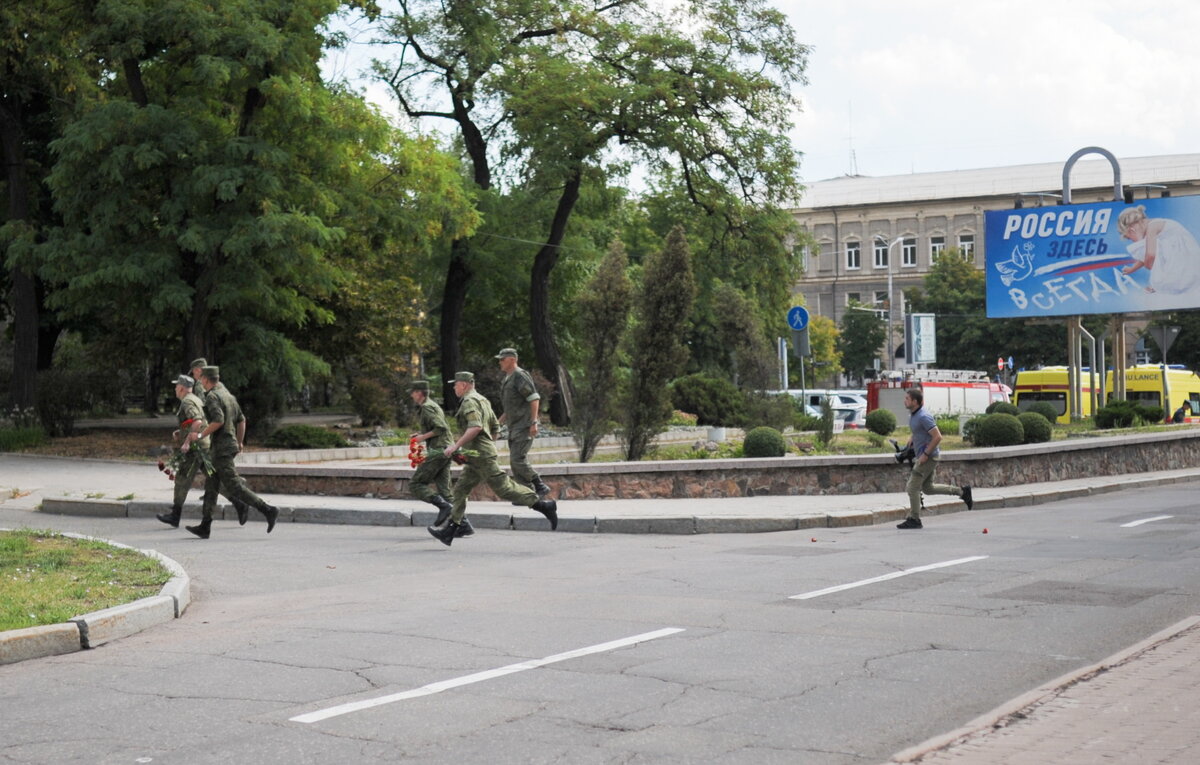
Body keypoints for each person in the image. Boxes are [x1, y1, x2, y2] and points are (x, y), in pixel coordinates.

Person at [428, 372, 558, 546]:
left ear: (465, 385)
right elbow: (495, 427)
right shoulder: (483, 400)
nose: (454, 387)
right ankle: (453, 528)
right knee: (460, 489)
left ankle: (544, 506)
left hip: (481, 456)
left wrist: (456, 446)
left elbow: (475, 427)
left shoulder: (469, 401)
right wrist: (484, 447)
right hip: (477, 455)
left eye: (456, 384)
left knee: (504, 488)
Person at [183, 366, 279, 539]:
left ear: (205, 379)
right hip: (226, 446)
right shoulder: (229, 396)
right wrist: (240, 441)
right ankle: (205, 525)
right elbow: (242, 420)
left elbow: (218, 420)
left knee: (234, 485)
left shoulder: (212, 396)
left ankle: (268, 510)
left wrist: (200, 434)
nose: (201, 383)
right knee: (211, 485)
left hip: (222, 448)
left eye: (201, 379)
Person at [186, 356, 251, 524]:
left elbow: (204, 415)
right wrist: (239, 439)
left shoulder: (201, 387)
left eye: (193, 373)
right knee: (213, 476)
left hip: (209, 438)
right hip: (219, 437)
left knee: (213, 475)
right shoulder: (220, 385)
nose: (193, 376)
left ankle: (242, 502)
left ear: (198, 371)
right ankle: (232, 506)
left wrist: (197, 436)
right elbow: (236, 415)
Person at [897, 387, 973, 529]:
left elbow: (937, 436)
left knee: (912, 487)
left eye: (907, 399)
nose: (904, 401)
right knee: (928, 488)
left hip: (929, 457)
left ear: (915, 401)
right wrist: (911, 439)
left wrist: (925, 454)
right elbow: (919, 431)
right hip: (926, 456)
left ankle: (914, 519)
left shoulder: (923, 416)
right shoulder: (914, 415)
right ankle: (962, 492)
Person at [407, 380, 470, 535]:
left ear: (420, 393)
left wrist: (421, 438)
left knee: (416, 484)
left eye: (413, 392)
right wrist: (422, 435)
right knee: (445, 490)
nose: (411, 395)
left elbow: (440, 428)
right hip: (445, 450)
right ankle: (463, 525)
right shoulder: (431, 405)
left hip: (439, 450)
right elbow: (438, 427)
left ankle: (443, 507)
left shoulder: (428, 408)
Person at [155, 374, 212, 528]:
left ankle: (175, 516)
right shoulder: (194, 399)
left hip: (196, 448)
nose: (174, 388)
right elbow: (198, 421)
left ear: (181, 388)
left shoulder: (187, 402)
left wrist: (187, 442)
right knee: (214, 479)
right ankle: (240, 504)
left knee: (181, 479)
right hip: (202, 444)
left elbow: (198, 421)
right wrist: (181, 432)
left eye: (176, 386)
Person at [495, 348, 551, 497]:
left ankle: (539, 484)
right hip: (514, 426)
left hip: (524, 425)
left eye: (502, 359)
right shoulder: (508, 378)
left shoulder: (520, 376)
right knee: (515, 462)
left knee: (517, 459)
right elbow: (511, 407)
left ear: (512, 360)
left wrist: (533, 422)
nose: (499, 362)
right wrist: (499, 423)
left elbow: (534, 398)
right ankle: (525, 494)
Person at [1119, 205, 1200, 295]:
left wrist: (1139, 240)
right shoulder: (1153, 227)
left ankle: (1163, 283)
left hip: (1185, 263)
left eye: (1129, 237)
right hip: (1184, 258)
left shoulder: (1152, 227)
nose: (1132, 241)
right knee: (1153, 247)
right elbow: (1147, 255)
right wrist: (1132, 268)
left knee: (1152, 250)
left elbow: (1150, 257)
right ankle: (1163, 283)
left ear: (1131, 229)